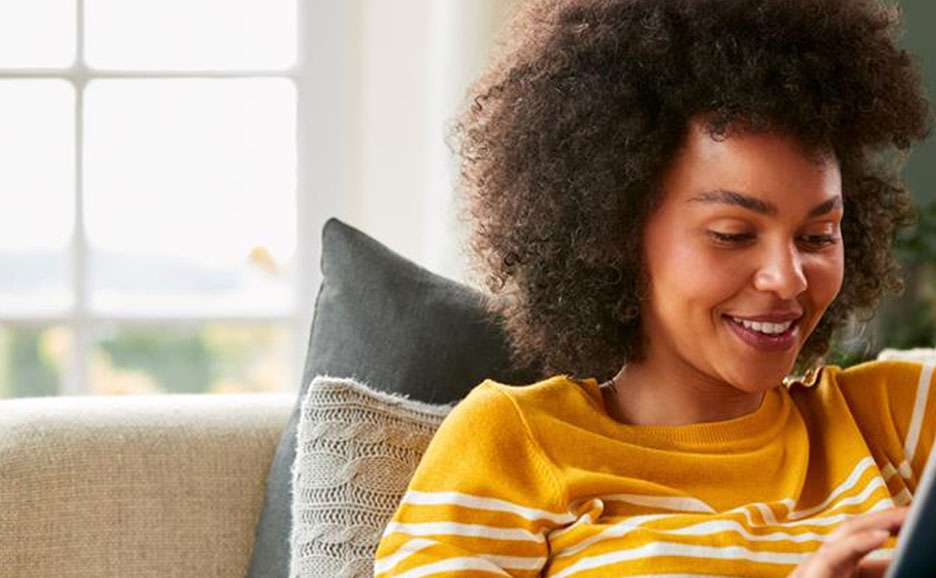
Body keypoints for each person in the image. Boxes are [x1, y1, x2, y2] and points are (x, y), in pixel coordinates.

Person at [375, 0, 932, 576]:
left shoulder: (900, 416)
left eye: (817, 236)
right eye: (733, 234)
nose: (787, 277)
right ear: (614, 232)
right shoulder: (514, 444)